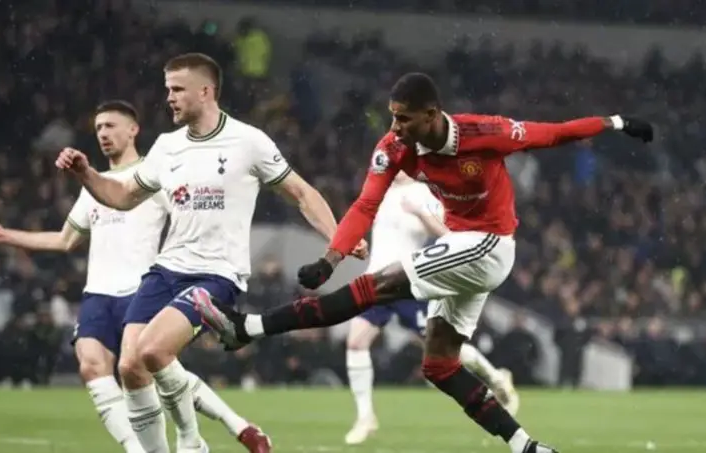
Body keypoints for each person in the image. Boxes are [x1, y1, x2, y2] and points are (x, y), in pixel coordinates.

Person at [194, 72, 654, 453]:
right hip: (461, 246)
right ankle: (526, 446)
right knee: (439, 365)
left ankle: (248, 327)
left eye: (404, 118)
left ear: (432, 114)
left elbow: (553, 133)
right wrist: (330, 259)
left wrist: (615, 123)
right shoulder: (394, 148)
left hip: (491, 243)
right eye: (393, 116)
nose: (395, 127)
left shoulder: (484, 132)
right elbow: (365, 205)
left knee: (373, 288)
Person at [54, 53, 367, 453]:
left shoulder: (248, 141)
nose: (169, 97)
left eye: (177, 89)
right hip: (166, 270)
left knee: (153, 350)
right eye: (167, 89)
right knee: (130, 366)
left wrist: (339, 239)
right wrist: (86, 173)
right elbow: (123, 195)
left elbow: (301, 194)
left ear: (205, 91)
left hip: (216, 274)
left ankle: (190, 440)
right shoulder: (167, 146)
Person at [0, 100, 268, 452]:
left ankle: (235, 425)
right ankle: (138, 448)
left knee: (148, 370)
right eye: (98, 128)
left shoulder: (154, 174)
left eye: (111, 126)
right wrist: (3, 235)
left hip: (142, 290)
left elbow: (191, 212)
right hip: (98, 294)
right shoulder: (93, 185)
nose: (103, 133)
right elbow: (65, 240)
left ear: (133, 130)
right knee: (91, 366)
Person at [344, 171, 518, 445]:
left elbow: (449, 236)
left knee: (448, 351)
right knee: (355, 342)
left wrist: (420, 214)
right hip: (376, 281)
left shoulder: (424, 193)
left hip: (408, 283)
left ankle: (496, 378)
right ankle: (365, 417)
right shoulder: (380, 190)